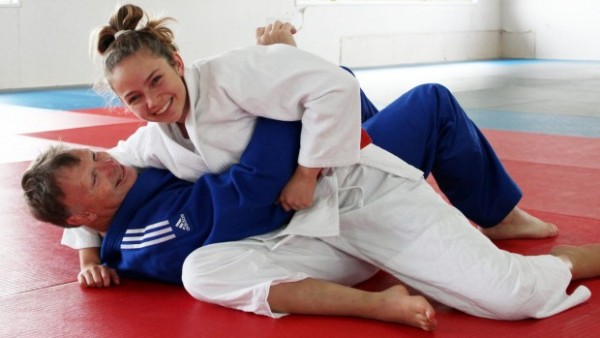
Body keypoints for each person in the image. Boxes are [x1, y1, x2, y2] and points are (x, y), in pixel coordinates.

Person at [65, 4, 555, 287]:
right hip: (323, 147)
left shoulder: (225, 77)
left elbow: (332, 88)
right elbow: (97, 175)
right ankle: (290, 60)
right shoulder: (156, 138)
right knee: (375, 102)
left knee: (428, 102)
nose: (152, 101)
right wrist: (90, 259)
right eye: (134, 97)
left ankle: (499, 216)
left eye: (156, 80)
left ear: (176, 60)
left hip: (326, 152)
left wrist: (306, 172)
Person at [22, 117, 600, 332]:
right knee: (203, 269)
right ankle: (386, 299)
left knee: (512, 296)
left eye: (95, 156)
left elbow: (127, 151)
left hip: (346, 192)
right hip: (301, 232)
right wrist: (92, 252)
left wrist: (87, 252)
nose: (109, 164)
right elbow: (246, 192)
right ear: (82, 213)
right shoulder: (146, 231)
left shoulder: (138, 156)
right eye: (95, 176)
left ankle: (546, 251)